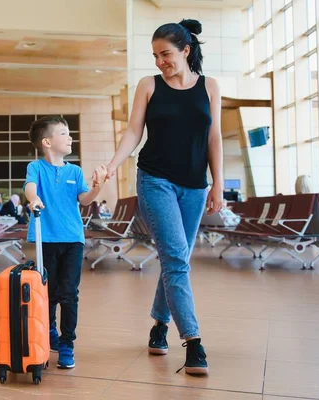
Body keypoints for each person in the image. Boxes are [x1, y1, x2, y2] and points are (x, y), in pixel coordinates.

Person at [105, 19, 223, 375]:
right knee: (175, 260)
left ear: (186, 51)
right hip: (156, 180)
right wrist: (112, 165)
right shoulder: (148, 86)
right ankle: (194, 341)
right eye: (155, 55)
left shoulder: (210, 87)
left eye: (166, 54)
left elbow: (214, 137)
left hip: (194, 185)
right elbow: (132, 132)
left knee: (178, 259)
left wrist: (217, 183)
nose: (160, 62)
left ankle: (159, 323)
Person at [25, 116, 107, 369]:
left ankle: (67, 344)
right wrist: (34, 200)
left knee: (69, 293)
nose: (70, 137)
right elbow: (30, 187)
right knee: (48, 293)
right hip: (46, 238)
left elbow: (84, 199)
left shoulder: (75, 171)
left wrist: (97, 187)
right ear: (47, 142)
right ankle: (49, 329)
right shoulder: (36, 167)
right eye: (64, 133)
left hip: (73, 239)